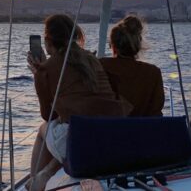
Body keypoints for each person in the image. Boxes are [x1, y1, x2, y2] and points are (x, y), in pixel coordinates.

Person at [26, 14, 131, 191]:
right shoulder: (91, 59)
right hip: (113, 132)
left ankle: (34, 181)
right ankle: (45, 174)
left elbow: (48, 115)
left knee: (44, 130)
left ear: (47, 41)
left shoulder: (46, 69)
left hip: (81, 137)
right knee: (70, 131)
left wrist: (39, 74)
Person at [99, 16, 165, 116]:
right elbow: (155, 113)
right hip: (142, 130)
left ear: (113, 46)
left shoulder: (99, 66)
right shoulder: (153, 73)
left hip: (106, 129)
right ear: (138, 46)